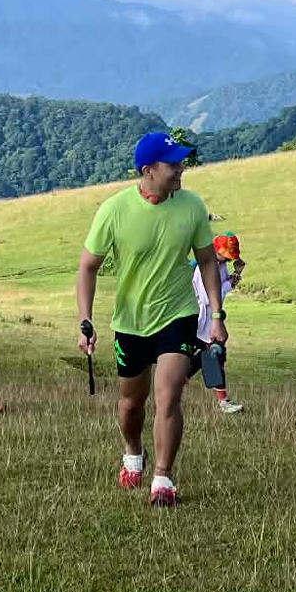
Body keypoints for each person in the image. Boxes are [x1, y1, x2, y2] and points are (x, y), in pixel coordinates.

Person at [77, 132, 227, 508]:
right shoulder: (114, 210)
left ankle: (163, 477)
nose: (181, 171)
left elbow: (208, 260)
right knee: (131, 404)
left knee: (169, 396)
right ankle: (133, 450)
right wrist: (86, 319)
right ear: (148, 171)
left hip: (177, 314)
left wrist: (217, 314)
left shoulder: (192, 206)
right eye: (173, 165)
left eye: (181, 163)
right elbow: (87, 267)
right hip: (130, 322)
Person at [191, 230, 246, 414]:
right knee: (213, 354)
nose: (228, 260)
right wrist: (230, 284)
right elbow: (208, 298)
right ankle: (223, 402)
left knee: (214, 354)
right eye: (226, 256)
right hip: (202, 320)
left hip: (213, 320)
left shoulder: (221, 265)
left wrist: (235, 275)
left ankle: (222, 400)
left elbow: (221, 287)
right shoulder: (203, 268)